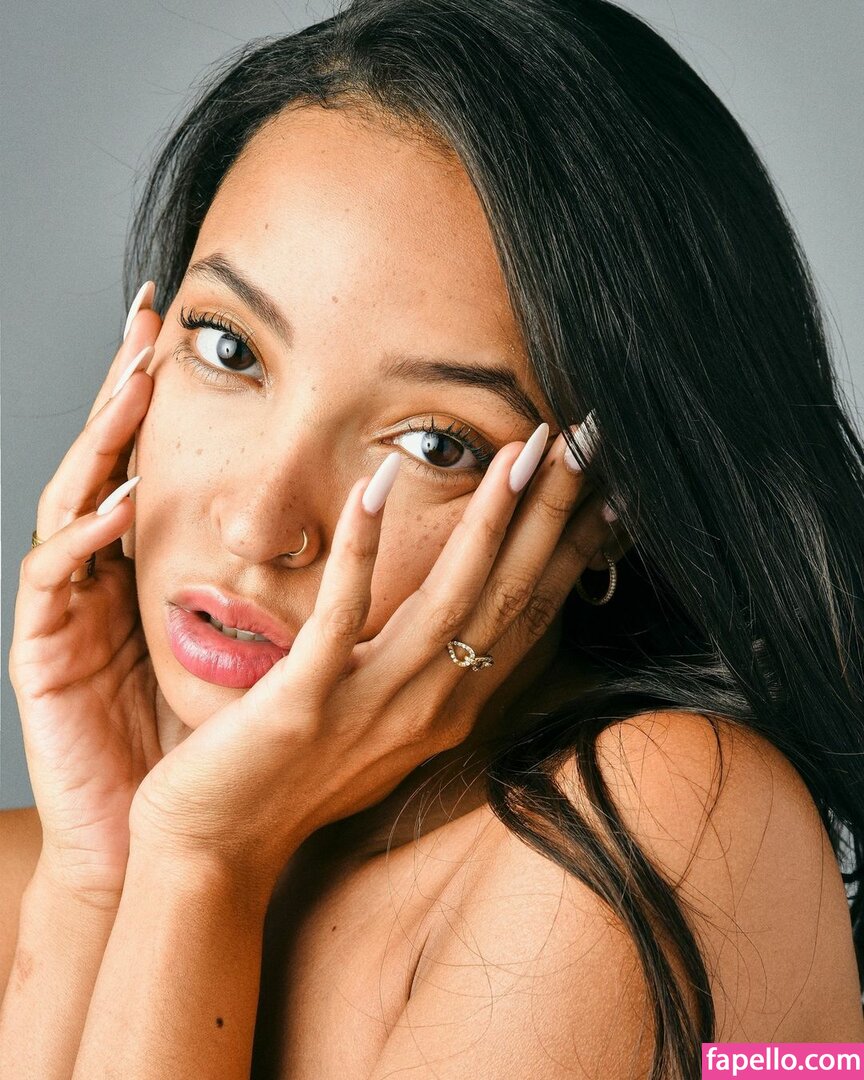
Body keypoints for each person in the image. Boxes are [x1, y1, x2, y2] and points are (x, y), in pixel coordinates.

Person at [2, 0, 863, 1076]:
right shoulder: (34, 877)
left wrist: (198, 862)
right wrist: (97, 879)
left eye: (434, 444)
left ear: (608, 510)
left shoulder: (665, 825)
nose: (259, 525)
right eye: (228, 348)